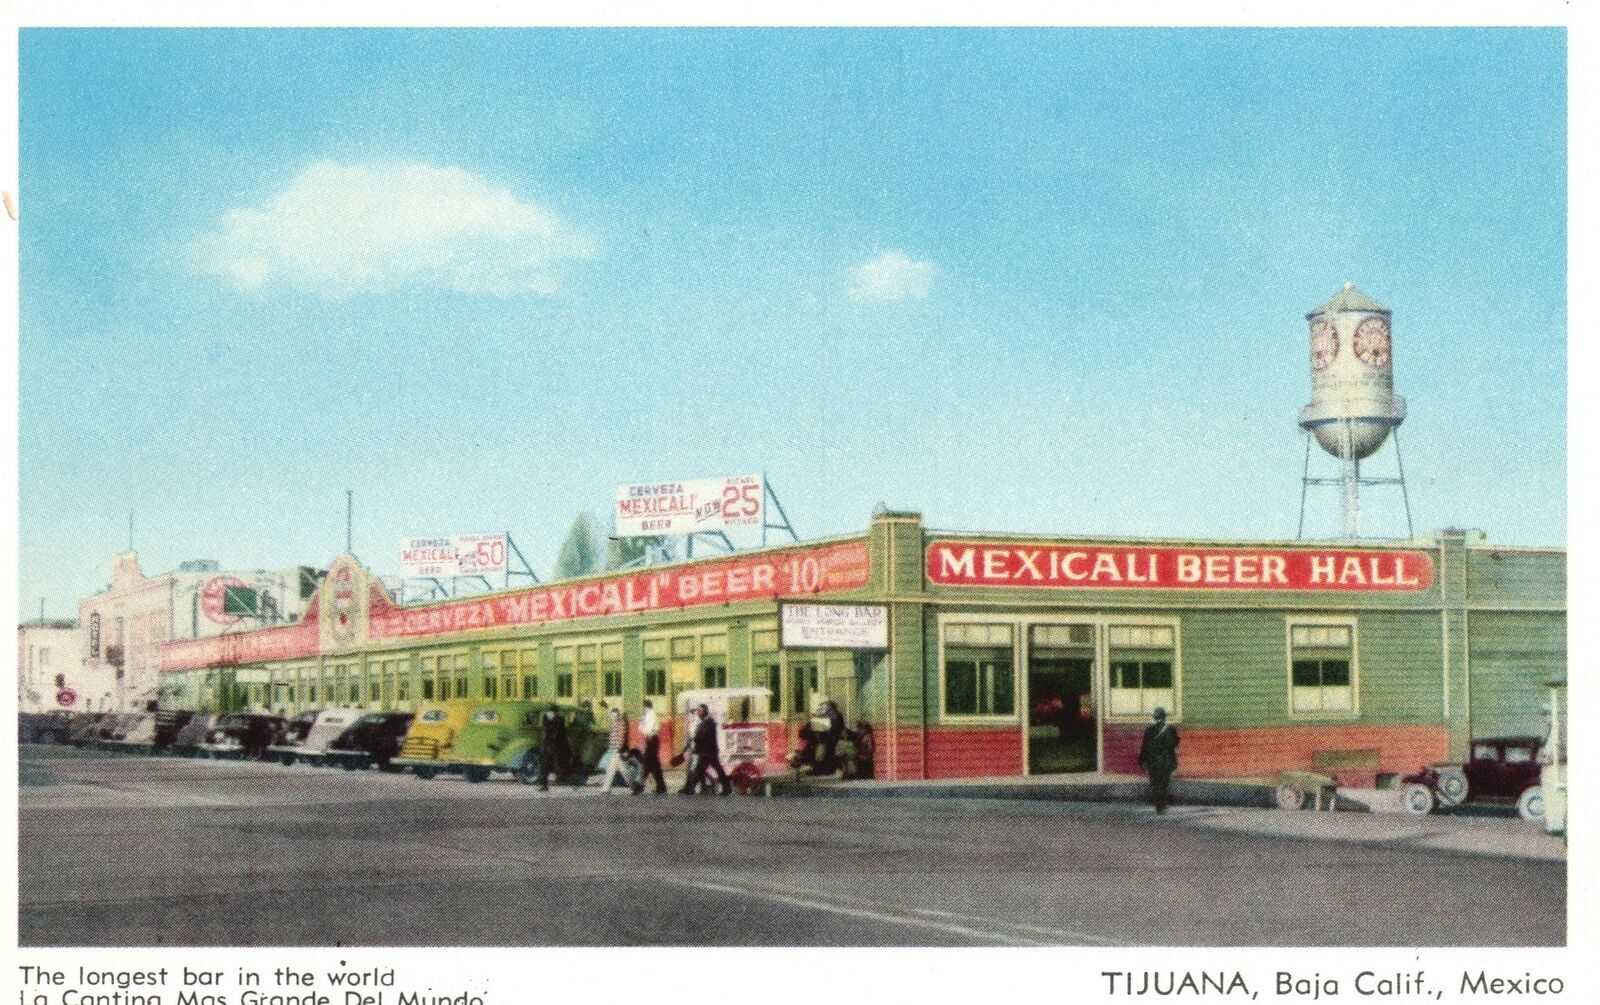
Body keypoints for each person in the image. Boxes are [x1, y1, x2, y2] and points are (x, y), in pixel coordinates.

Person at [680, 703, 731, 796]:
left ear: (705, 712)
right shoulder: (705, 721)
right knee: (713, 770)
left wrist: (695, 737)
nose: (698, 713)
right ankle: (727, 788)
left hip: (707, 751)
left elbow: (703, 735)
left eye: (700, 711)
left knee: (700, 770)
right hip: (707, 751)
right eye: (698, 711)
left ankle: (690, 788)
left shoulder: (708, 722)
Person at [1136, 707, 1179, 813]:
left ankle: (1158, 807)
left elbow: (1145, 747)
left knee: (1155, 784)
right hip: (1166, 761)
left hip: (1153, 762)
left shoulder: (1149, 730)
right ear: (1164, 717)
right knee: (1164, 784)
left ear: (1154, 717)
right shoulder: (1170, 729)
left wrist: (1141, 760)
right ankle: (1163, 805)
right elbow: (1174, 745)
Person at [600, 707, 641, 793]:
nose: (612, 717)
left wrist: (619, 749)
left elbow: (622, 737)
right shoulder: (614, 723)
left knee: (622, 770)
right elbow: (608, 713)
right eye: (612, 715)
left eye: (614, 715)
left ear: (617, 715)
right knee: (614, 769)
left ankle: (633, 786)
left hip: (618, 751)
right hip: (615, 750)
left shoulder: (620, 724)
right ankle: (606, 788)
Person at [537, 704, 571, 792]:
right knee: (543, 766)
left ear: (555, 713)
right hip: (547, 746)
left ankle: (562, 779)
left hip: (557, 747)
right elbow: (545, 734)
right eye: (548, 712)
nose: (549, 714)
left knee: (558, 765)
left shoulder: (559, 721)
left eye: (551, 712)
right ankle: (543, 785)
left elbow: (558, 735)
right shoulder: (546, 720)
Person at [637, 699, 667, 794]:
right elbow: (642, 728)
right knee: (655, 765)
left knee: (647, 763)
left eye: (644, 706)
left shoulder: (651, 715)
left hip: (651, 739)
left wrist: (642, 722)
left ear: (646, 706)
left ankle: (639, 786)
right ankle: (661, 786)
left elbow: (646, 729)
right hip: (651, 739)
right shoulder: (648, 715)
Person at [818, 699, 846, 775]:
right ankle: (831, 768)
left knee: (830, 753)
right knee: (829, 753)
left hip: (832, 737)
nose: (827, 708)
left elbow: (833, 727)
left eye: (828, 707)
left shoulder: (833, 715)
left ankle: (830, 769)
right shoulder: (835, 715)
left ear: (831, 707)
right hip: (833, 736)